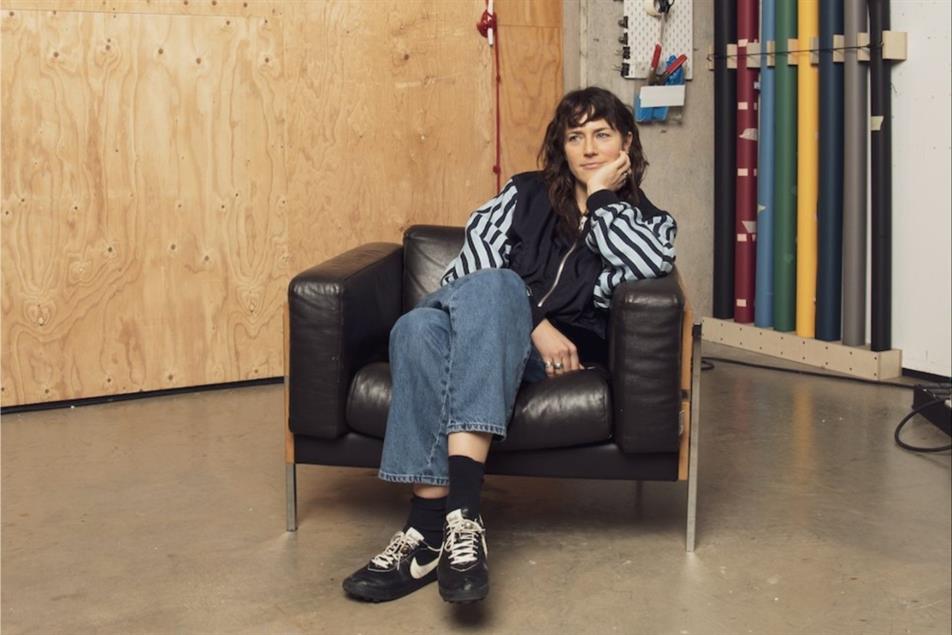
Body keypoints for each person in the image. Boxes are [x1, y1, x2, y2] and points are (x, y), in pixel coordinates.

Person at [342, 86, 677, 604]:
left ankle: (427, 532)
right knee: (456, 307)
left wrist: (603, 200)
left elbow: (648, 265)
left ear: (626, 143)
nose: (589, 148)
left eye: (602, 135)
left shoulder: (650, 222)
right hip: (485, 330)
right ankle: (460, 522)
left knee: (421, 328)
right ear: (561, 146)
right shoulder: (523, 194)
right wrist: (534, 321)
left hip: (542, 366)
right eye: (575, 137)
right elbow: (467, 273)